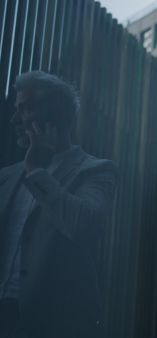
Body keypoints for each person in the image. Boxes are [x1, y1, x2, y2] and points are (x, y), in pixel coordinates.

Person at [0, 71, 117, 337]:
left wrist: (37, 172)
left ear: (58, 114)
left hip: (52, 323)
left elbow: (82, 226)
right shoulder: (5, 176)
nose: (14, 119)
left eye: (26, 108)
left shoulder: (97, 170)